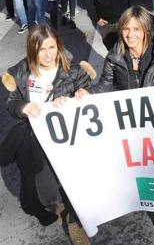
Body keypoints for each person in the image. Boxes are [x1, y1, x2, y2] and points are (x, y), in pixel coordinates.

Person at [1, 24, 94, 245]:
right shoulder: (21, 71)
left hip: (67, 141)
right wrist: (23, 106)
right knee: (34, 193)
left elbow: (92, 94)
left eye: (51, 47)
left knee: (73, 185)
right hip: (34, 140)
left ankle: (74, 221)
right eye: (41, 49)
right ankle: (46, 209)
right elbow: (12, 103)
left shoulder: (73, 71)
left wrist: (81, 95)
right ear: (32, 50)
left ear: (59, 46)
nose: (48, 54)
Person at [95, 6, 154, 241]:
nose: (130, 35)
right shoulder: (114, 55)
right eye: (125, 29)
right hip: (129, 125)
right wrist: (83, 95)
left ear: (146, 31)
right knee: (135, 169)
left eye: (136, 29)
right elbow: (104, 86)